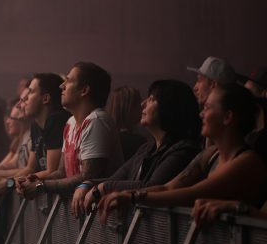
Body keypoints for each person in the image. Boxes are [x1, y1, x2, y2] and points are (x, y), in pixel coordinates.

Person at [98, 83, 267, 224]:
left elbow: (192, 194)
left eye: (207, 107)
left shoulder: (247, 161)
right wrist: (128, 194)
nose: (201, 114)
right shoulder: (210, 154)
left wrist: (133, 198)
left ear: (227, 117)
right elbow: (168, 187)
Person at [81, 80, 202, 216]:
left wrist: (101, 188)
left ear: (169, 107)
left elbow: (152, 186)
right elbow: (117, 178)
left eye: (151, 99)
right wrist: (86, 184)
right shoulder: (146, 148)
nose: (143, 104)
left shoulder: (184, 149)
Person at [17, 62, 122, 202]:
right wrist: (34, 179)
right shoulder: (70, 123)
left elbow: (87, 177)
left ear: (84, 90)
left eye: (69, 80)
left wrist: (41, 186)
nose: (62, 85)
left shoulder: (96, 121)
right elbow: (62, 172)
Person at [0, 73, 69, 197]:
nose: (24, 100)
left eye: (31, 92)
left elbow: (52, 171)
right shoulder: (35, 125)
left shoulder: (56, 120)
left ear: (45, 99)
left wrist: (8, 183)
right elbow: (30, 169)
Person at [105, 86, 148, 161]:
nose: (142, 107)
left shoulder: (105, 136)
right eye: (138, 103)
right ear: (128, 108)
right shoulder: (138, 142)